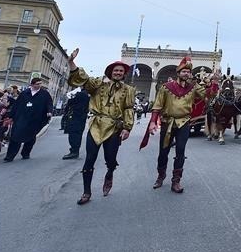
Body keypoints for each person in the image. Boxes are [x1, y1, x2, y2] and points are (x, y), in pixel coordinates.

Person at [68, 49, 136, 205]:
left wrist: (127, 128)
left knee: (110, 159)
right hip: (96, 125)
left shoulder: (129, 90)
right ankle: (86, 192)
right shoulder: (98, 84)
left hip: (114, 127)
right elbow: (83, 80)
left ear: (124, 74)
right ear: (110, 72)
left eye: (121, 71)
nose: (118, 73)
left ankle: (110, 172)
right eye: (115, 70)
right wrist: (71, 62)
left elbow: (128, 109)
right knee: (89, 159)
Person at [143, 57, 219, 193]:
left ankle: (176, 181)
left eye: (188, 72)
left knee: (180, 151)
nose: (186, 74)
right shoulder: (166, 88)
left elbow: (209, 95)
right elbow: (157, 106)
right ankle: (161, 176)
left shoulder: (193, 87)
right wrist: (153, 121)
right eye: (183, 71)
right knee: (163, 152)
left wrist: (214, 82)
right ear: (178, 73)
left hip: (184, 123)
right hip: (168, 122)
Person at [3, 74, 53, 162]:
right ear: (32, 84)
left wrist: (49, 111)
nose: (39, 85)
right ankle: (10, 156)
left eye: (40, 84)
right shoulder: (24, 93)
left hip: (35, 119)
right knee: (15, 136)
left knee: (31, 137)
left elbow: (49, 103)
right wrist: (11, 116)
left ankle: (25, 153)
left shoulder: (44, 94)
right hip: (22, 118)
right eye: (37, 84)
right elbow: (16, 105)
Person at [61, 86, 90, 160]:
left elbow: (71, 102)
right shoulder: (86, 94)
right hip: (81, 116)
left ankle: (74, 151)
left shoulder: (80, 94)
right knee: (77, 133)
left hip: (76, 116)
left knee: (74, 134)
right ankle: (75, 150)